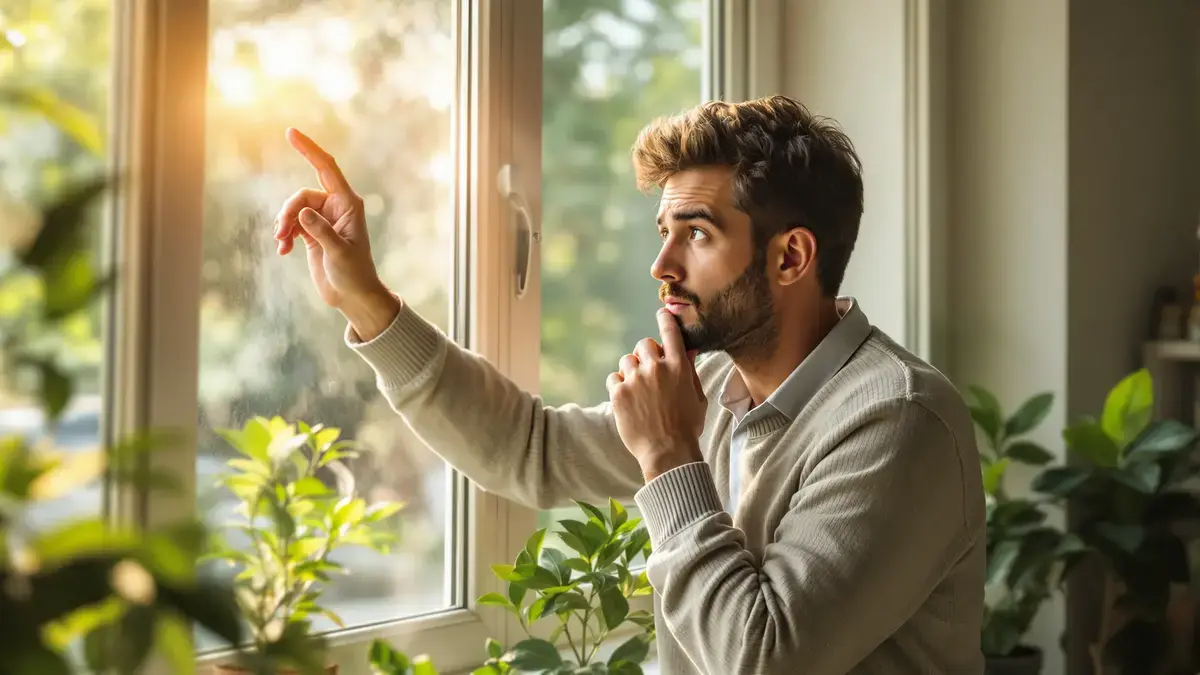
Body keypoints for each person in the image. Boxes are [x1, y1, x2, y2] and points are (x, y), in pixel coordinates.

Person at [272, 95, 985, 675]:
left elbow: (763, 657)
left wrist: (671, 453)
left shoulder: (898, 420)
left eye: (696, 234)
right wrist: (366, 300)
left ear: (792, 255)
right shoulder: (711, 384)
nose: (662, 264)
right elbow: (531, 448)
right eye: (662, 231)